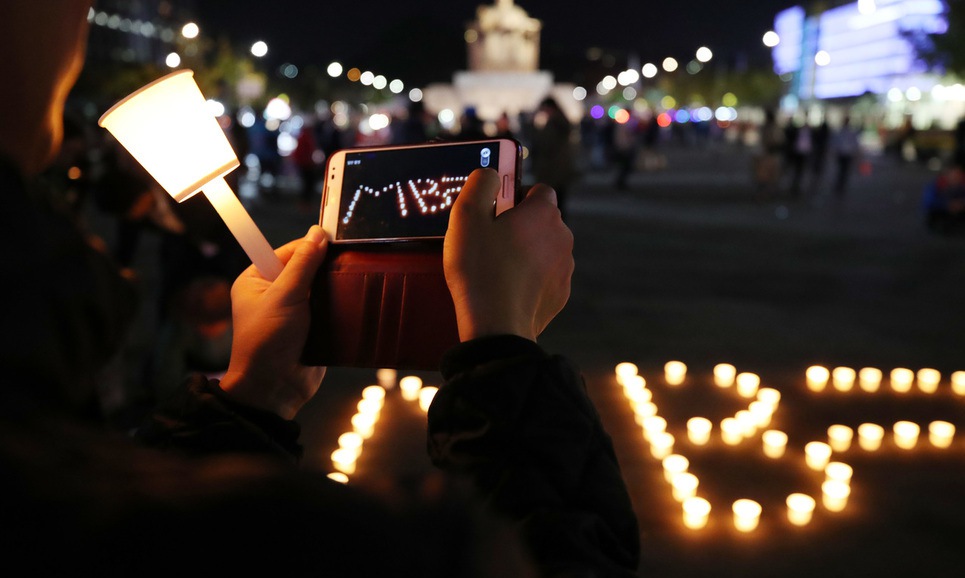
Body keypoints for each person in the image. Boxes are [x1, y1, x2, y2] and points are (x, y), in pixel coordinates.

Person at [0, 3, 640, 576]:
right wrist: (505, 353)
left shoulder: (49, 436)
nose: (78, 24)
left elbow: (149, 511)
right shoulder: (328, 542)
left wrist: (250, 399)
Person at [530, 96, 577, 221]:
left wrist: (532, 126)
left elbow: (544, 144)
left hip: (553, 169)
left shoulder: (555, 123)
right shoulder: (561, 121)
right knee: (558, 200)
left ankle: (556, 226)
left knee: (555, 200)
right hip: (558, 168)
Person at [831, 115, 861, 196]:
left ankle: (841, 185)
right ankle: (840, 185)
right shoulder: (842, 131)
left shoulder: (848, 132)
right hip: (842, 153)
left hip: (846, 154)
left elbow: (855, 144)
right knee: (842, 170)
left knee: (844, 171)